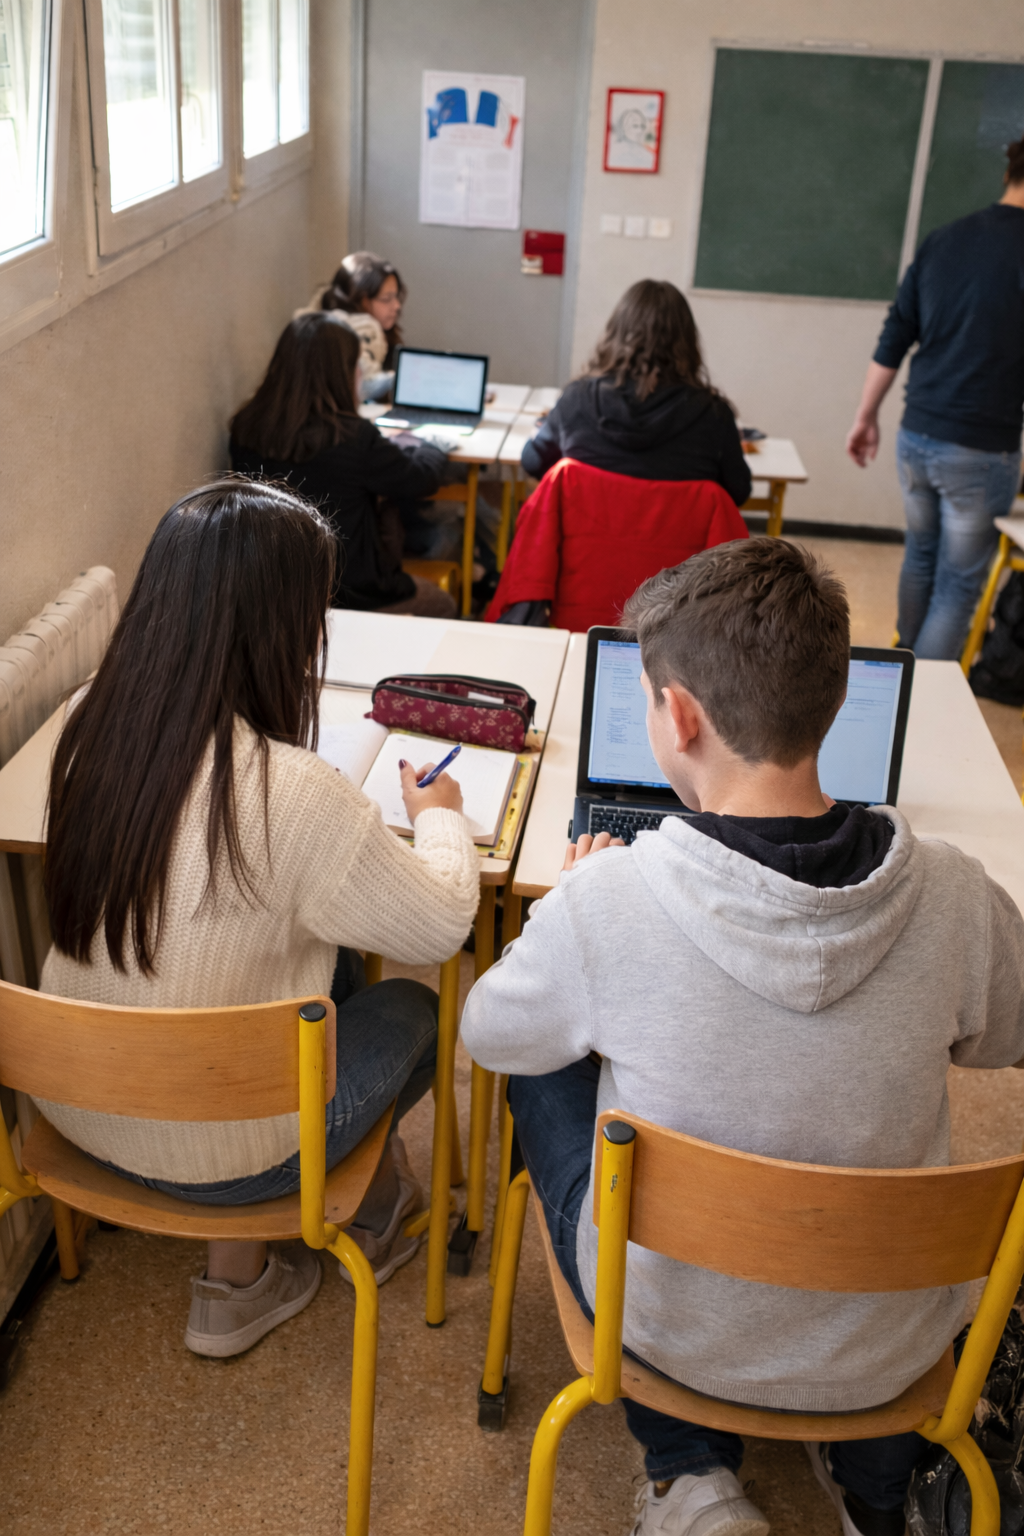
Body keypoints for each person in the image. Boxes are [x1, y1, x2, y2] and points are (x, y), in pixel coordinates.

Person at [461, 536, 1024, 1536]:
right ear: (834, 699)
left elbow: (488, 1032)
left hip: (670, 1332)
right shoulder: (954, 894)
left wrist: (569, 909)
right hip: (889, 1339)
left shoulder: (610, 903)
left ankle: (688, 1477)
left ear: (679, 718)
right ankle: (876, 1491)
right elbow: (1002, 1039)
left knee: (548, 1067)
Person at [39, 479, 479, 1357]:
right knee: (418, 1009)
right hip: (232, 1161)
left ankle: (262, 1261)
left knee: (323, 951)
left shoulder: (91, 730)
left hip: (75, 1114)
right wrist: (441, 814)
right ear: (284, 628)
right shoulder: (295, 791)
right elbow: (442, 926)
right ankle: (292, 1255)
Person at [846, 134, 1024, 660]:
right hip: (981, 449)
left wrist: (865, 417)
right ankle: (923, 693)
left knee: (920, 557)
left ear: (1007, 174)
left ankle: (904, 667)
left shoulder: (945, 240)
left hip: (917, 436)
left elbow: (895, 336)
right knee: (958, 583)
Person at [230, 312, 456, 615]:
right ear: (343, 372)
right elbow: (419, 479)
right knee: (443, 604)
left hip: (274, 590)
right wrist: (433, 447)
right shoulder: (353, 436)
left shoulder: (247, 428)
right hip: (349, 591)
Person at [521, 279, 752, 508]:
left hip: (588, 543)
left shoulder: (577, 399)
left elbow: (533, 462)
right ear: (688, 341)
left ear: (616, 334)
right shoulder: (714, 415)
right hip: (683, 546)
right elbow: (738, 491)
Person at [308, 251, 406, 398]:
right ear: (362, 301)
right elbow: (361, 389)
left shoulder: (384, 334)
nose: (397, 306)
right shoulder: (351, 334)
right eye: (386, 299)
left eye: (396, 297)